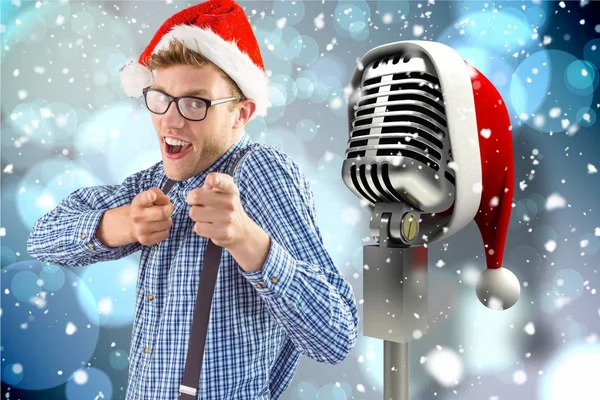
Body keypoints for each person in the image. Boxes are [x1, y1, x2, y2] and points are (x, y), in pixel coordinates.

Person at [26, 0, 359, 399]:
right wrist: (122, 225)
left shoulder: (260, 171)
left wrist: (246, 239)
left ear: (241, 114)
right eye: (160, 97)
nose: (170, 119)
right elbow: (42, 237)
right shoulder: (158, 181)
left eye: (195, 103)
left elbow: (336, 336)